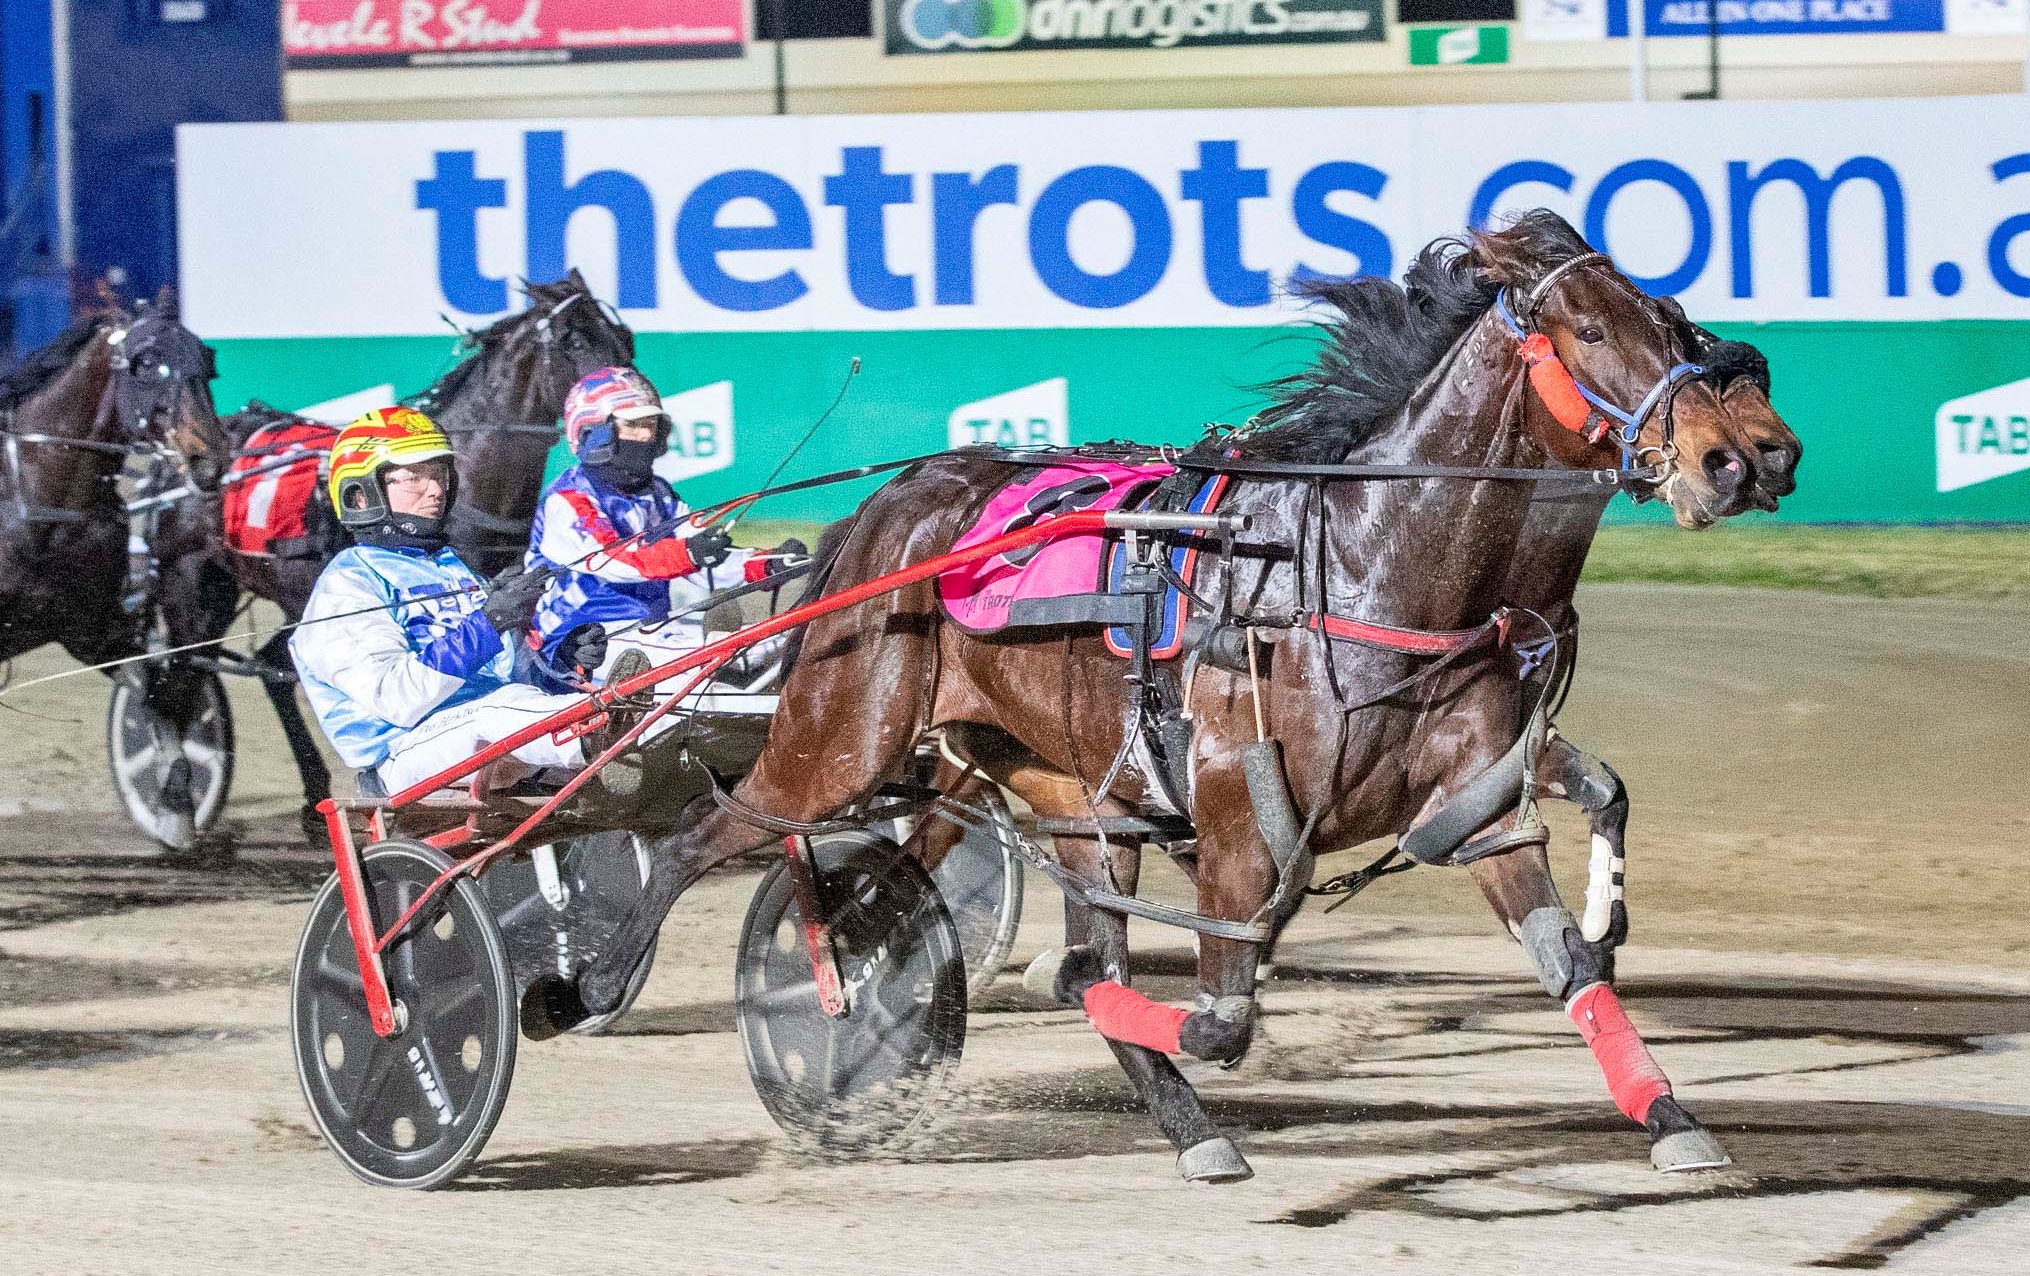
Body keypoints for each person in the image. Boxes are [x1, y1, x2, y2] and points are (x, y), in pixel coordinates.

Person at [289, 406, 629, 797]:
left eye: (439, 475)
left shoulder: (452, 571)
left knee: (510, 702)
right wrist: (487, 623)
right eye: (414, 478)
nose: (435, 489)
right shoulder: (348, 583)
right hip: (402, 752)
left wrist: (560, 664)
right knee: (497, 710)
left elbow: (507, 677)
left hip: (482, 731)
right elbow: (398, 697)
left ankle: (629, 731)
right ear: (360, 495)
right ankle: (609, 740)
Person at [524, 366, 801, 709]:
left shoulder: (660, 494)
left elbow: (702, 558)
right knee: (728, 657)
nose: (645, 436)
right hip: (578, 644)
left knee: (784, 638)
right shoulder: (567, 499)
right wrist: (689, 553)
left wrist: (765, 564)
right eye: (632, 425)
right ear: (595, 432)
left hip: (649, 629)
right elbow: (616, 560)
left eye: (651, 425)